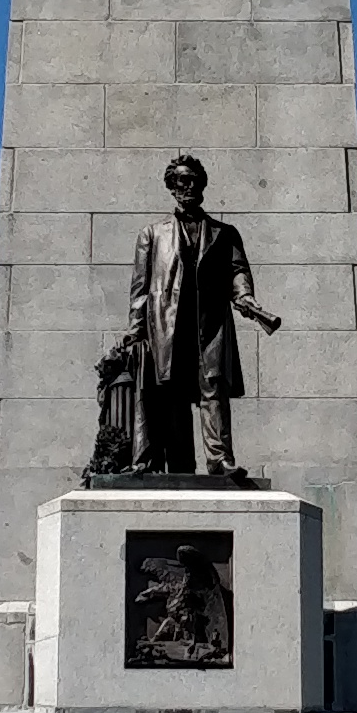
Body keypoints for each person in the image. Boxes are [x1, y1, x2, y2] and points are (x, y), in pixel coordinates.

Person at [122, 154, 280, 479]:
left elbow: (238, 272)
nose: (189, 185)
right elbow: (140, 290)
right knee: (173, 394)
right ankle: (181, 466)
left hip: (211, 324)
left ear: (203, 185)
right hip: (167, 327)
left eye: (194, 180)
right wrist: (136, 333)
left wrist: (245, 297)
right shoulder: (152, 235)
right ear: (172, 186)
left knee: (214, 389)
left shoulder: (225, 233)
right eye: (182, 180)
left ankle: (220, 459)